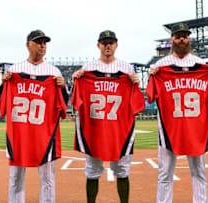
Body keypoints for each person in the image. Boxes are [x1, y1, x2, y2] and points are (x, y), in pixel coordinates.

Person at [148, 23, 208, 203]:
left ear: (189, 39)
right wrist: (153, 75)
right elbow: (150, 96)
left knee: (199, 172)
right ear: (172, 39)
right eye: (178, 36)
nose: (182, 39)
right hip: (169, 129)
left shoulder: (202, 65)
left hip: (196, 130)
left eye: (185, 35)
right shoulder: (160, 66)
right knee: (165, 173)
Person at [71, 30, 141, 203]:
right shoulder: (87, 69)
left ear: (116, 45)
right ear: (98, 45)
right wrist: (76, 81)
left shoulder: (126, 69)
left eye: (111, 42)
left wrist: (135, 84)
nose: (107, 45)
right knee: (92, 169)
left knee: (122, 169)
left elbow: (136, 101)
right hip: (94, 128)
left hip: (119, 128)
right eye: (104, 42)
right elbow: (75, 99)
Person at [0, 30, 67, 203]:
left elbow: (63, 106)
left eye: (45, 42)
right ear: (28, 44)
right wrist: (3, 83)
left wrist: (63, 88)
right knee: (15, 178)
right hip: (19, 135)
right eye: (38, 42)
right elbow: (2, 102)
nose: (43, 45)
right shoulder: (14, 70)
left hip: (44, 135)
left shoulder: (54, 72)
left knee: (48, 179)